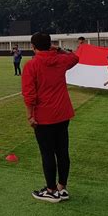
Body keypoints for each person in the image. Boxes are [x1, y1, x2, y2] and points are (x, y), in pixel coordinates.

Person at [21, 32, 79, 203]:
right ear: (50, 45)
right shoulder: (61, 60)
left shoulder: (32, 65)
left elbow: (29, 95)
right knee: (62, 151)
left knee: (47, 154)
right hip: (62, 113)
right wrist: (59, 49)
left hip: (44, 117)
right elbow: (75, 58)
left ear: (33, 47)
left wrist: (30, 116)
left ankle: (51, 190)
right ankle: (62, 188)